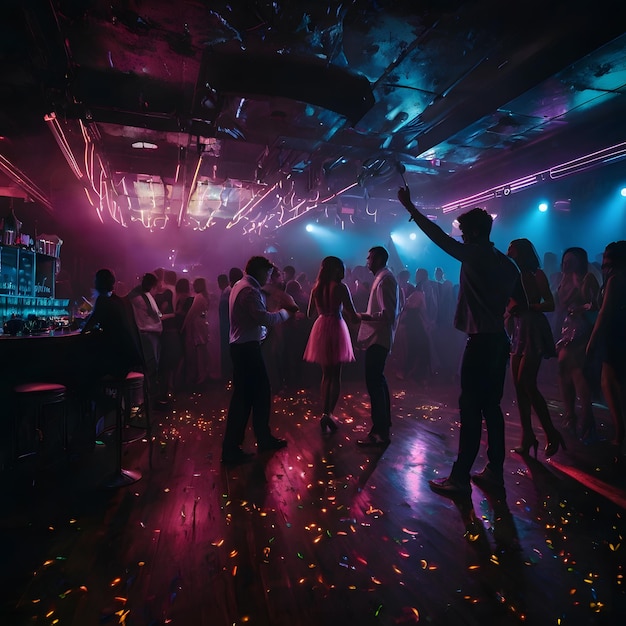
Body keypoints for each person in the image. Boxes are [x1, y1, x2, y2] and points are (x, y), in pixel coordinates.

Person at [398, 187, 527, 497]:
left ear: (474, 232)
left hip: (481, 342)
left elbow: (439, 238)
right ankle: (494, 471)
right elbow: (520, 303)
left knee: (470, 407)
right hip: (498, 340)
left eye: (464, 232)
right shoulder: (509, 264)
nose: (461, 237)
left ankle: (459, 478)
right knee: (492, 408)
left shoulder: (476, 252)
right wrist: (497, 315)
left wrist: (411, 207)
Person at [221, 256, 297, 465]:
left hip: (242, 348)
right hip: (246, 349)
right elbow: (264, 318)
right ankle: (241, 445)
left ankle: (248, 442)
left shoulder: (241, 285)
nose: (269, 276)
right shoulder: (249, 290)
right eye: (267, 272)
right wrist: (285, 313)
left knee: (248, 398)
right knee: (255, 396)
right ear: (260, 271)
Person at [506, 238, 563, 458]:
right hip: (519, 328)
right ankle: (527, 435)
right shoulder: (511, 274)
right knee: (519, 387)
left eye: (512, 247)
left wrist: (527, 306)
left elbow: (550, 303)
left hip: (533, 327)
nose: (508, 250)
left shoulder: (536, 274)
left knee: (527, 383)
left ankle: (550, 432)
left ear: (520, 251)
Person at [303, 256, 361, 433]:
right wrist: (369, 318)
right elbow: (352, 314)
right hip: (336, 326)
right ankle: (329, 414)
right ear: (336, 269)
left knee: (326, 375)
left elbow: (309, 313)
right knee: (335, 375)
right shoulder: (341, 288)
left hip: (320, 327)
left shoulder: (316, 289)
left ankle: (324, 413)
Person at [553, 247, 600, 442]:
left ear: (580, 262)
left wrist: (580, 308)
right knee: (565, 371)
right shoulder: (562, 280)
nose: (566, 264)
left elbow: (598, 304)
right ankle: (572, 416)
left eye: (570, 261)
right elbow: (561, 306)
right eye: (564, 260)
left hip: (582, 329)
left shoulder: (587, 278)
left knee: (576, 372)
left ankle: (585, 418)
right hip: (567, 328)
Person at [356, 246, 399, 447]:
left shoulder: (385, 280)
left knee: (374, 383)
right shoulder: (385, 278)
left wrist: (363, 316)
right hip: (378, 337)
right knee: (378, 382)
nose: (367, 261)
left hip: (378, 338)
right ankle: (382, 427)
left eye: (370, 257)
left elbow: (388, 314)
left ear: (380, 258)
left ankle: (380, 432)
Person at [586, 241, 626, 451]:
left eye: (607, 256)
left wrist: (592, 340)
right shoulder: (616, 278)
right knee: (611, 381)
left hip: (615, 332)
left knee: (610, 383)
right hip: (618, 331)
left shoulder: (615, 279)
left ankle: (620, 432)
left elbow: (605, 311)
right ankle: (620, 430)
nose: (603, 261)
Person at [81, 268, 143, 380]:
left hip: (117, 362)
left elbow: (89, 325)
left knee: (86, 371)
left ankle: (93, 396)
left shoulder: (103, 300)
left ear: (98, 283)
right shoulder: (117, 300)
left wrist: (80, 330)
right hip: (128, 359)